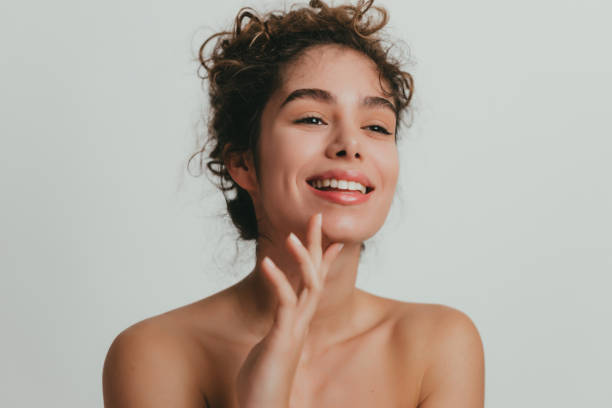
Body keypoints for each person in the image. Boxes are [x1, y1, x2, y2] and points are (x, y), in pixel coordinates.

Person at [102, 0, 485, 407]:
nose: (350, 146)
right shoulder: (154, 353)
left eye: (376, 126)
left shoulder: (439, 345)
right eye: (313, 118)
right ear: (243, 163)